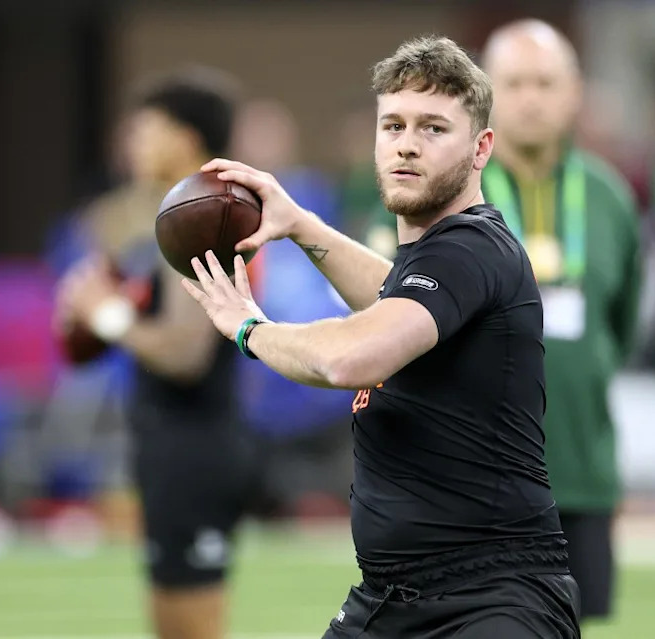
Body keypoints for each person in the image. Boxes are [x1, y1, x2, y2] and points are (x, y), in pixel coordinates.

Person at [182, 36, 581, 638]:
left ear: (481, 148)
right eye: (393, 125)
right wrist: (300, 225)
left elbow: (352, 357)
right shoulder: (433, 262)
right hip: (391, 596)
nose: (407, 143)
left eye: (433, 128)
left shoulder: (469, 248)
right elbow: (391, 294)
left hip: (493, 598)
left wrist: (248, 328)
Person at [55, 69, 261, 639]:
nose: (132, 143)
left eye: (146, 130)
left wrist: (107, 315)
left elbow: (185, 354)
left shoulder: (207, 218)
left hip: (197, 447)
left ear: (185, 138)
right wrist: (89, 313)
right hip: (168, 444)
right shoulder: (164, 219)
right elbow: (94, 336)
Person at [473, 19, 642, 622]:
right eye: (514, 83)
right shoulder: (452, 192)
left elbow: (620, 329)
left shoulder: (609, 197)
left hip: (580, 468)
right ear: (484, 94)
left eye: (546, 83)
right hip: (476, 476)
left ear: (575, 94)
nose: (531, 99)